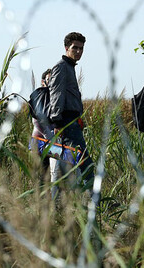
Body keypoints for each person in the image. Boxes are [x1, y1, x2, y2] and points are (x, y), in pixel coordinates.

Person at [48, 32, 95, 198]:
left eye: (81, 48)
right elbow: (56, 95)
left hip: (72, 123)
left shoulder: (69, 67)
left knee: (63, 169)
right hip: (66, 124)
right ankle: (96, 202)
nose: (78, 51)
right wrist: (57, 124)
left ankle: (54, 206)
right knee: (86, 165)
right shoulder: (61, 67)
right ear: (66, 48)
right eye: (75, 48)